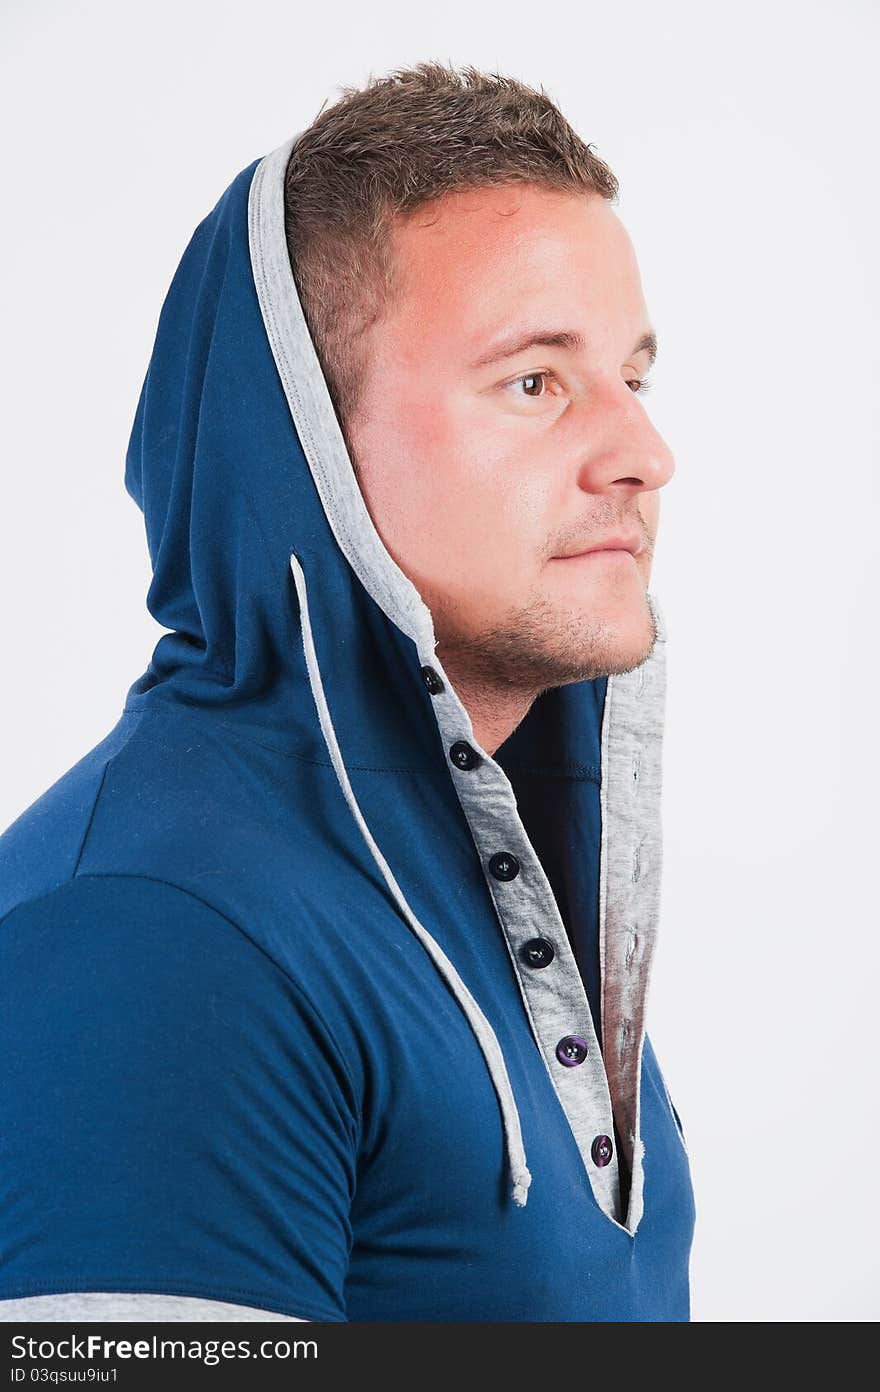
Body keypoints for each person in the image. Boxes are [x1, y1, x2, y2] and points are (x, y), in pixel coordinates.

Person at [0, 61, 696, 1323]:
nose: (643, 454)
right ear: (301, 444)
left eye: (630, 378)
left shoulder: (491, 899)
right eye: (533, 381)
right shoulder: (161, 937)